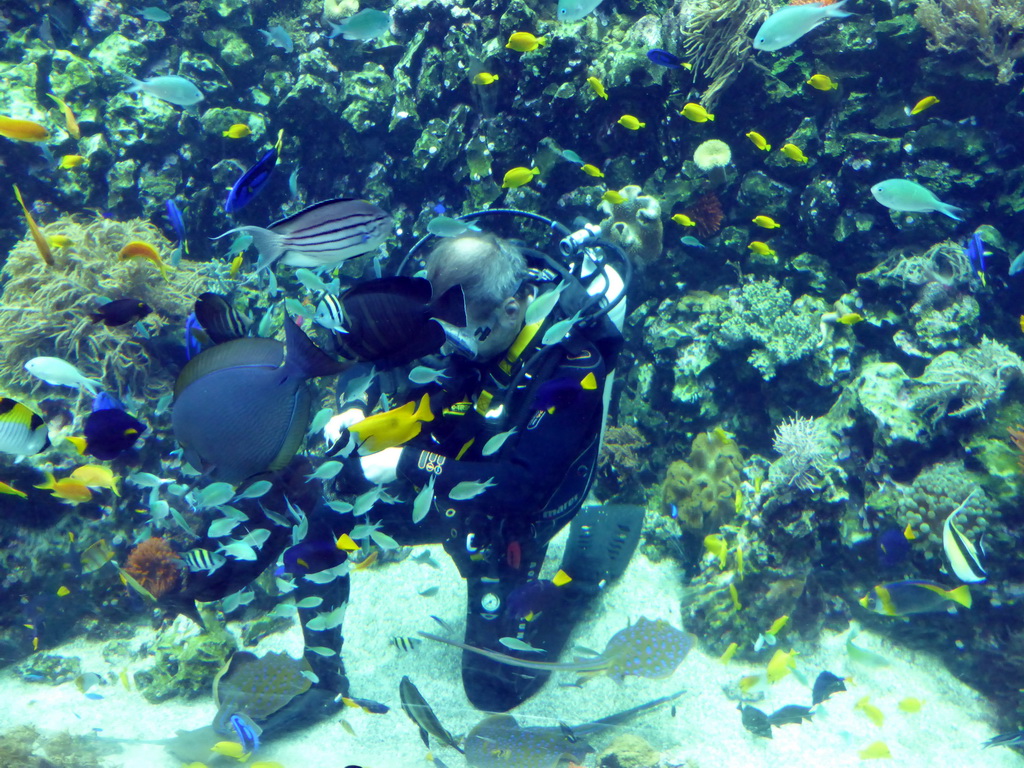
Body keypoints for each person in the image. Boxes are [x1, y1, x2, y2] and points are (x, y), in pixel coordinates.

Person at [168, 225, 634, 729]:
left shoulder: (568, 367)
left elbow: (523, 487)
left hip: (513, 511)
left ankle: (576, 585)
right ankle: (326, 680)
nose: (444, 341)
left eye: (460, 332)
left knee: (492, 690)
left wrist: (405, 464)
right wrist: (354, 404)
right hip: (441, 480)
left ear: (511, 311)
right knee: (321, 518)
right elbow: (366, 351)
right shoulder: (441, 307)